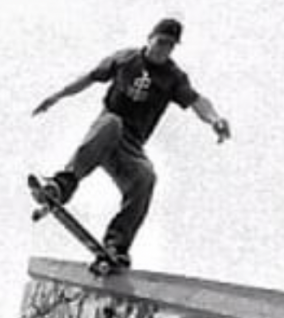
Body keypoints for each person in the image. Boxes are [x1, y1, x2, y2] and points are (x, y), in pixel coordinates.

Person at [32, 18, 230, 269]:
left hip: (131, 148)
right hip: (105, 134)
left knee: (146, 177)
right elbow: (90, 78)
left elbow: (197, 101)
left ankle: (117, 244)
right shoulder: (125, 58)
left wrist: (215, 120)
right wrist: (56, 96)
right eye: (160, 42)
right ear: (149, 38)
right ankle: (63, 185)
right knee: (113, 123)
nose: (163, 50)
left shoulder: (174, 77)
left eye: (170, 46)